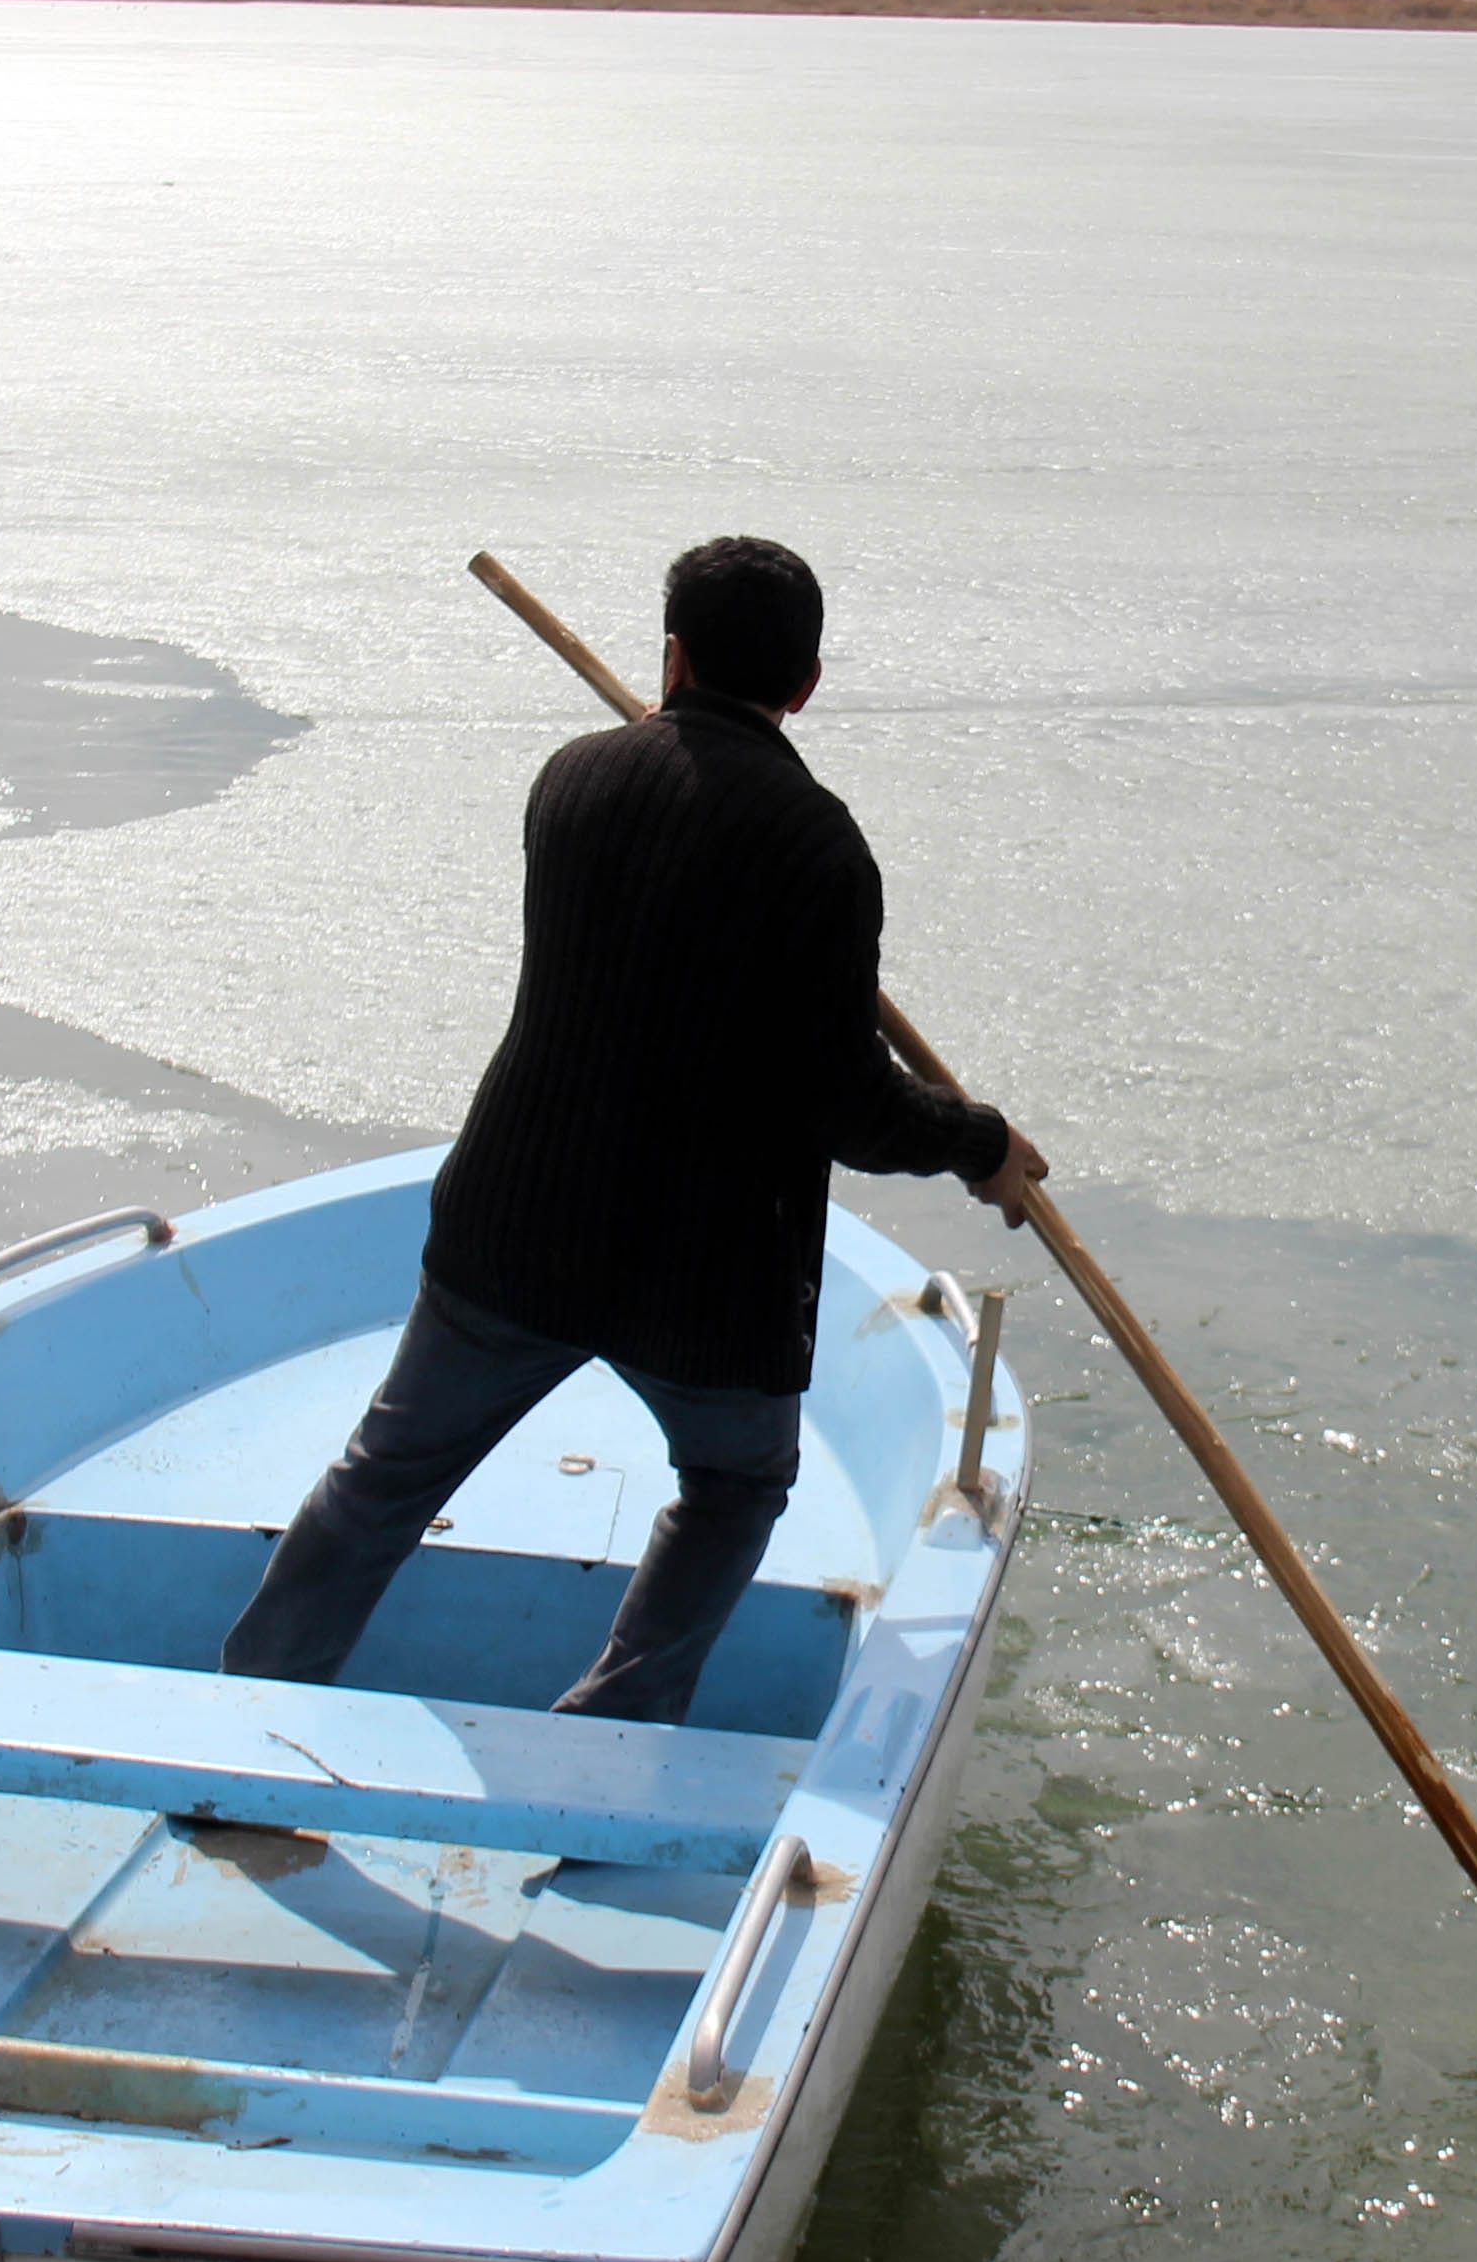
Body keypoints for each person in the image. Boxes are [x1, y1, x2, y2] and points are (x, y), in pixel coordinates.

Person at [220, 534, 1047, 1725]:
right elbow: (845, 1104)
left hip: (519, 1223)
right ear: (806, 686)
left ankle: (253, 1706)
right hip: (705, 1280)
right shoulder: (819, 847)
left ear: (671, 653)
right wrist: (981, 1143)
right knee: (736, 1483)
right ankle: (611, 1727)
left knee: (386, 1477)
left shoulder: (572, 783)